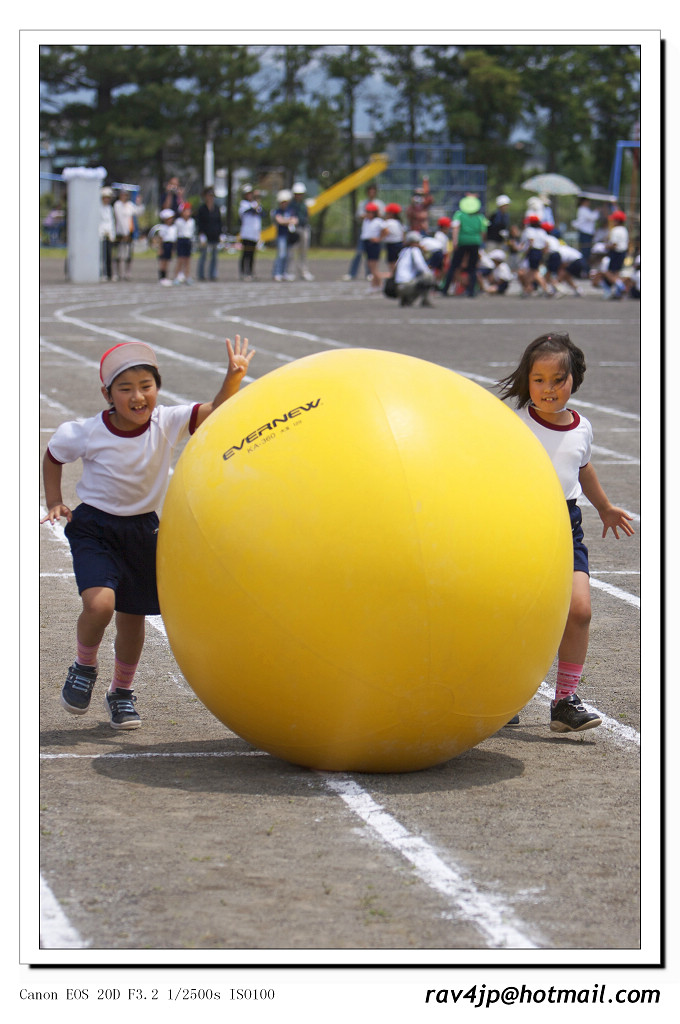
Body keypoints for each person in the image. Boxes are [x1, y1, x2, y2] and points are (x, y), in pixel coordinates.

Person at [40, 336, 255, 730]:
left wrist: (233, 377)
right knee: (101, 604)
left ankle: (120, 692)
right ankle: (83, 667)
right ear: (107, 393)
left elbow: (214, 411)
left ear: (157, 388)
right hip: (94, 527)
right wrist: (54, 499)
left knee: (132, 616)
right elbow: (53, 455)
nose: (138, 396)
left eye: (146, 386)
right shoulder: (87, 432)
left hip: (142, 529)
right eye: (126, 389)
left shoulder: (167, 420)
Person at [496, 332, 634, 731]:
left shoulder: (581, 427)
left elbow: (583, 466)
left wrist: (605, 507)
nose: (549, 389)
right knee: (514, 614)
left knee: (579, 611)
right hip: (520, 525)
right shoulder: (515, 423)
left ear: (575, 379)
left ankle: (564, 701)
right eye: (539, 380)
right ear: (527, 381)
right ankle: (504, 696)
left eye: (558, 380)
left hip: (565, 525)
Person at [439, 195, 488, 297]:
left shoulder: (459, 215)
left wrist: (455, 242)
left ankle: (445, 290)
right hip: (475, 242)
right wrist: (480, 243)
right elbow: (483, 232)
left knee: (453, 266)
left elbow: (455, 228)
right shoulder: (480, 217)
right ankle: (471, 291)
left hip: (462, 242)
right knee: (472, 268)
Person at [342, 185, 385, 281]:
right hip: (365, 231)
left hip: (375, 232)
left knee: (371, 256)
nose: (371, 194)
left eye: (373, 192)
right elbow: (359, 215)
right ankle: (352, 273)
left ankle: (369, 273)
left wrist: (372, 214)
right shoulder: (363, 203)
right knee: (359, 252)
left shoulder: (379, 203)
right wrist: (369, 215)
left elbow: (382, 215)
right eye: (370, 192)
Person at [393, 231, 435, 307]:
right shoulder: (415, 250)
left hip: (398, 286)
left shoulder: (403, 251)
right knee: (428, 277)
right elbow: (422, 267)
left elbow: (395, 267)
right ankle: (425, 300)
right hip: (408, 286)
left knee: (420, 278)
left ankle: (406, 299)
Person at [196, 187, 223, 282]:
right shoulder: (202, 209)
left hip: (215, 235)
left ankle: (213, 274)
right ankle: (201, 275)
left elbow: (219, 222)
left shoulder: (216, 208)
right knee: (203, 256)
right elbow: (199, 223)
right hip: (205, 235)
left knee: (214, 257)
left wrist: (221, 234)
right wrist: (201, 235)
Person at [289, 182, 314, 280]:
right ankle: (291, 272)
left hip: (304, 228)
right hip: (295, 230)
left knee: (303, 252)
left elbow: (306, 216)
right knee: (292, 251)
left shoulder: (304, 204)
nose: (299, 196)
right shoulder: (291, 205)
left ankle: (304, 271)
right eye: (297, 194)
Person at [603, 210, 629, 299]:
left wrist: (606, 246)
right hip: (623, 252)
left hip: (616, 253)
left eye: (614, 220)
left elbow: (614, 244)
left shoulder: (615, 230)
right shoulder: (624, 230)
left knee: (608, 272)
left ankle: (621, 286)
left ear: (617, 221)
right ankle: (618, 293)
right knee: (617, 273)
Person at [238, 183, 263, 281]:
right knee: (246, 253)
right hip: (246, 233)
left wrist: (257, 202)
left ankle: (251, 272)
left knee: (252, 254)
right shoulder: (243, 204)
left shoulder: (255, 204)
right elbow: (248, 211)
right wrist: (256, 204)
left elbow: (262, 213)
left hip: (254, 234)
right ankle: (243, 272)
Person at [272, 189, 297, 282]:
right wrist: (288, 221)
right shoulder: (277, 211)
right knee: (281, 255)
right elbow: (280, 221)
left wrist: (286, 221)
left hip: (289, 236)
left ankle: (284, 273)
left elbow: (295, 220)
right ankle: (277, 273)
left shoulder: (290, 211)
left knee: (288, 255)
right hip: (281, 235)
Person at [359, 201, 385, 292]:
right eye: (367, 212)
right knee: (370, 265)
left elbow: (385, 230)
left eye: (370, 212)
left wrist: (379, 239)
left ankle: (376, 284)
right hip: (367, 243)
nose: (368, 214)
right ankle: (377, 284)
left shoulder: (378, 221)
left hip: (373, 244)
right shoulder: (366, 220)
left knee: (373, 266)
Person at [112, 189, 137, 281]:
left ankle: (127, 273)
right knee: (118, 253)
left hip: (129, 232)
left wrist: (139, 202)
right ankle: (118, 273)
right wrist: (124, 232)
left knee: (128, 253)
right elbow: (120, 219)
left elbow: (137, 211)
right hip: (120, 232)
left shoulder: (130, 205)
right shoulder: (117, 205)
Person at [571, 197, 599, 269]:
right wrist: (596, 211)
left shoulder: (585, 210)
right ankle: (583, 269)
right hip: (585, 233)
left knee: (587, 252)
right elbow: (592, 217)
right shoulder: (583, 209)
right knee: (585, 252)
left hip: (587, 234)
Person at [174, 201, 195, 285]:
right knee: (180, 260)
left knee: (187, 260)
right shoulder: (178, 221)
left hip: (188, 240)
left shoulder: (192, 221)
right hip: (181, 240)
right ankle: (176, 276)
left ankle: (187, 276)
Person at [380, 203, 405, 273]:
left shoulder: (388, 222)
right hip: (399, 243)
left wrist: (380, 238)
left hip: (391, 244)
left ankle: (393, 275)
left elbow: (386, 231)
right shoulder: (399, 222)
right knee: (398, 261)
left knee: (391, 262)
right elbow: (403, 234)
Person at [99, 187, 115, 282]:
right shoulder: (98, 208)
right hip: (101, 234)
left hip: (109, 234)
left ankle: (109, 273)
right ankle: (102, 273)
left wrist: (112, 233)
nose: (107, 199)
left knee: (109, 255)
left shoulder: (109, 208)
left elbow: (111, 222)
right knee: (102, 256)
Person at [156, 208, 177, 285]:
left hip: (170, 245)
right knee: (163, 262)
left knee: (167, 262)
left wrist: (173, 249)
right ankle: (162, 277)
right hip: (164, 245)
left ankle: (166, 277)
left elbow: (174, 239)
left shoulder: (173, 227)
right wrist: (160, 248)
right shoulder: (162, 227)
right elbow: (160, 239)